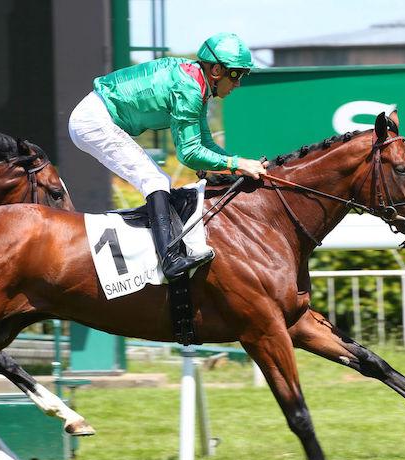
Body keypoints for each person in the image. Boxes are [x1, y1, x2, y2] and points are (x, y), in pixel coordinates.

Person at [68, 32, 268, 281]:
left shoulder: (197, 84)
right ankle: (170, 259)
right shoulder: (189, 88)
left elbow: (204, 143)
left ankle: (168, 251)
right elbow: (190, 154)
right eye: (236, 74)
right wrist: (238, 165)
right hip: (92, 121)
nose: (238, 83)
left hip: (96, 116)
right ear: (216, 70)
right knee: (155, 180)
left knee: (157, 179)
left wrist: (239, 164)